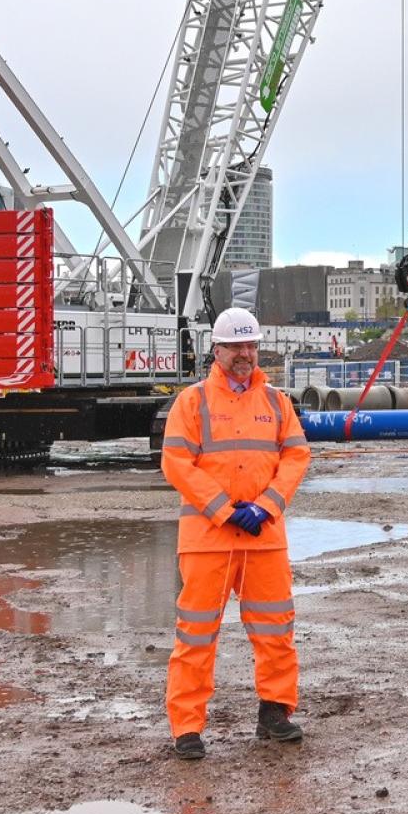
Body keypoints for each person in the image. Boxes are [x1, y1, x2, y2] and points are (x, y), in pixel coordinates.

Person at [162, 307, 312, 759]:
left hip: (263, 537)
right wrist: (225, 511)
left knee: (275, 629)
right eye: (235, 347)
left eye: (251, 346)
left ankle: (275, 712)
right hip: (208, 540)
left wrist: (265, 507)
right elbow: (176, 462)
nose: (245, 355)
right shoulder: (193, 402)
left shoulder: (275, 402)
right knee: (196, 635)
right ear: (218, 349)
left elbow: (297, 457)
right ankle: (186, 729)